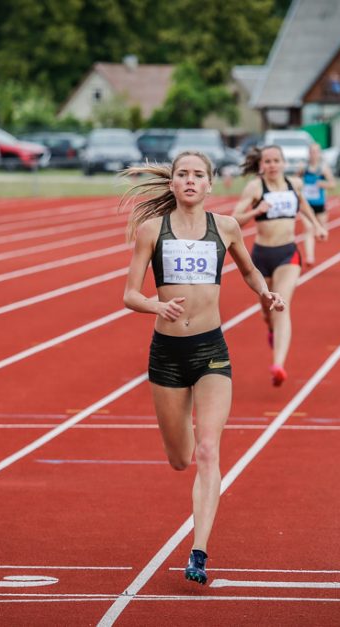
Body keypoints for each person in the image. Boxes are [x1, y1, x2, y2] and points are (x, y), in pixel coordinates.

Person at [122, 151, 285, 585]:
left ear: (211, 185)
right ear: (173, 183)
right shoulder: (151, 230)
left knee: (209, 451)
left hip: (211, 349)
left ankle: (199, 552)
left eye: (198, 175)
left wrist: (266, 294)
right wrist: (157, 304)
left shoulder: (226, 227)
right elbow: (129, 295)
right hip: (167, 354)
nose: (190, 180)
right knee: (181, 458)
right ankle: (186, 446)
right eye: (183, 174)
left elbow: (250, 272)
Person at [232, 145, 327, 386]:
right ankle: (272, 331)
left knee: (281, 303)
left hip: (288, 254)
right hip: (261, 256)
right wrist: (256, 210)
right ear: (262, 164)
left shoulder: (294, 183)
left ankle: (278, 364)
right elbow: (233, 221)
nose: (272, 165)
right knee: (267, 312)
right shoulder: (255, 187)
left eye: (276, 160)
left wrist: (316, 225)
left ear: (284, 163)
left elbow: (303, 204)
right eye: (268, 161)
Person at [300, 142, 336, 267]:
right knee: (308, 229)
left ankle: (319, 231)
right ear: (308, 153)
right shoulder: (303, 168)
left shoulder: (323, 168)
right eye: (311, 152)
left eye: (316, 152)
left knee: (321, 231)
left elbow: (332, 184)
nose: (314, 154)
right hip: (306, 204)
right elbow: (295, 181)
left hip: (320, 204)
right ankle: (309, 257)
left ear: (319, 154)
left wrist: (323, 184)